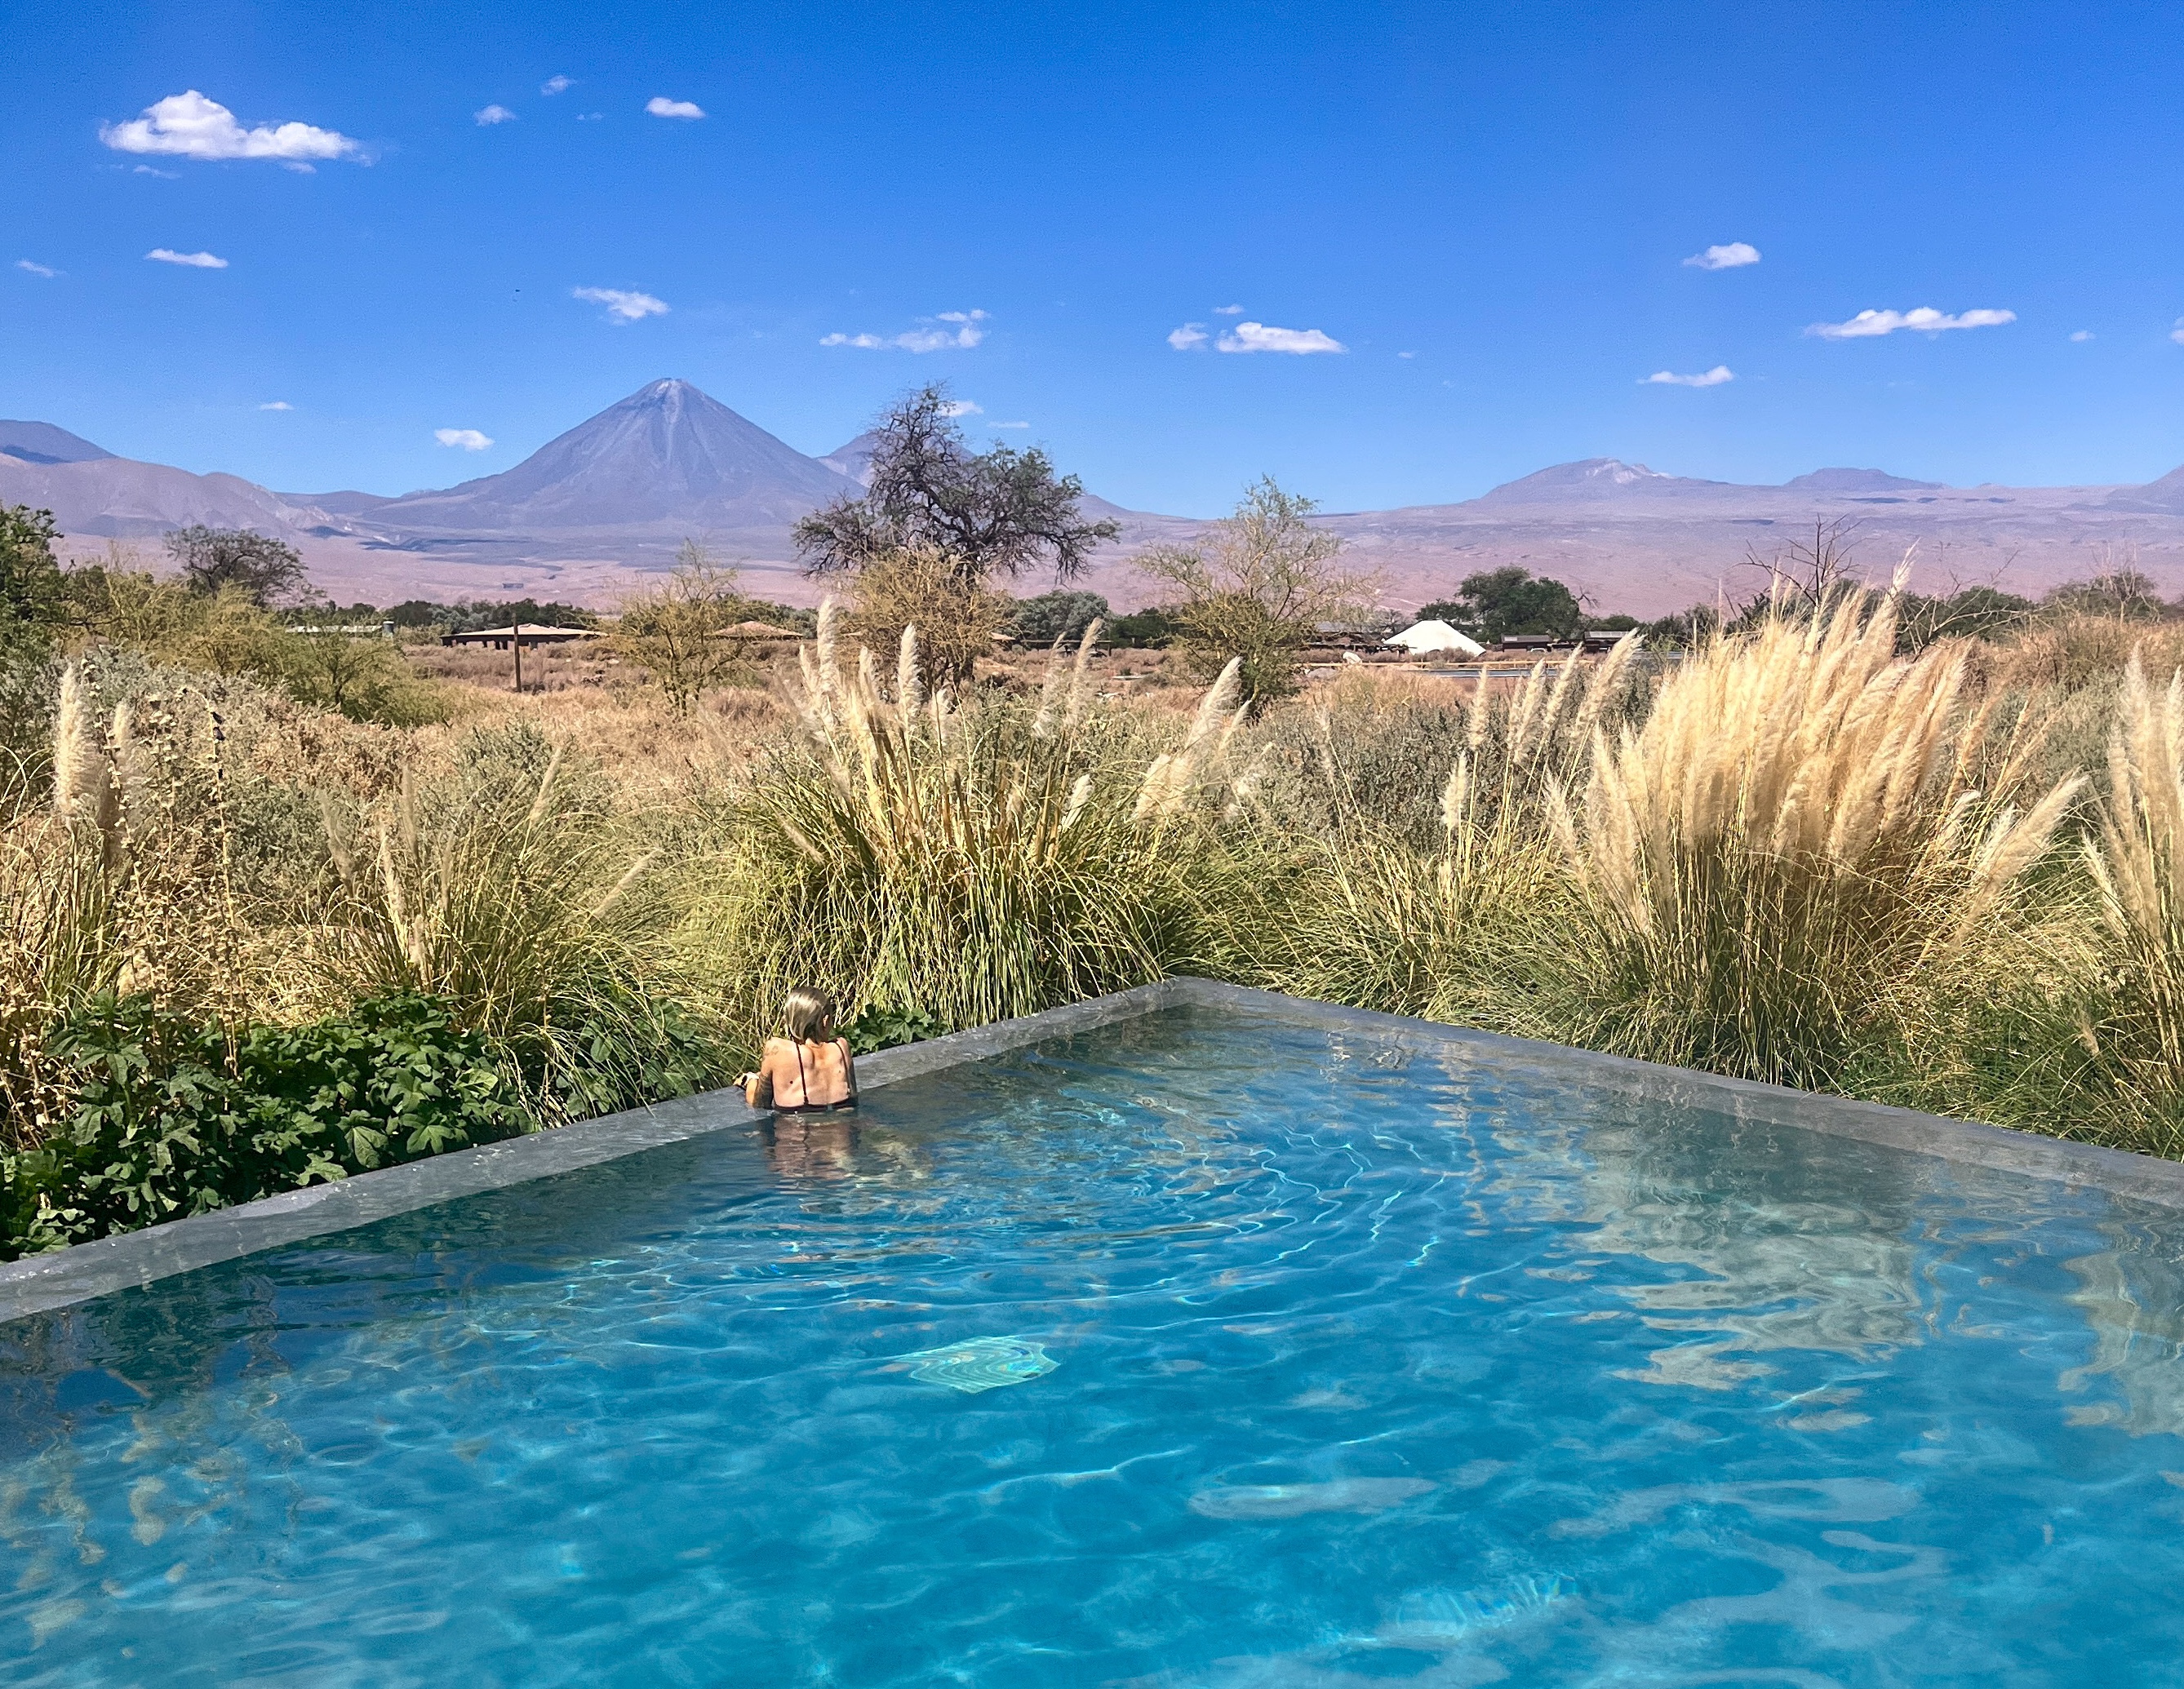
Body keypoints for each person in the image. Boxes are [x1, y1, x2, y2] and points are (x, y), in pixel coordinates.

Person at [739, 986, 859, 1115]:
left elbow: (760, 1104)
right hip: (843, 1130)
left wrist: (750, 1081)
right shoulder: (841, 1047)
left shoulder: (777, 1049)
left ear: (789, 1022)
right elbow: (853, 1099)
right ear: (826, 1021)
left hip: (800, 1131)